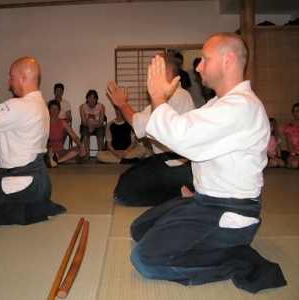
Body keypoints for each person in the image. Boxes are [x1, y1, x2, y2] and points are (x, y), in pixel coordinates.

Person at [129, 33, 286, 293]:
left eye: (205, 58)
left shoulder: (241, 106)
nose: (198, 66)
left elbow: (183, 136)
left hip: (229, 212)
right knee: (139, 228)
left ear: (229, 60)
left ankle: (233, 257)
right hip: (206, 201)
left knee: (145, 259)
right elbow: (182, 134)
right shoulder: (217, 104)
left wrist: (159, 99)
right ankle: (200, 220)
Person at [0, 57, 66, 226]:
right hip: (39, 183)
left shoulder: (21, 106)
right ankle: (38, 203)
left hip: (21, 183)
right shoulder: (38, 105)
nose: (9, 82)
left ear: (23, 77)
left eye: (11, 76)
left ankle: (34, 211)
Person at [106, 54, 195, 206]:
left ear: (165, 71)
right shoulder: (171, 96)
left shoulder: (178, 96)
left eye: (154, 70)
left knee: (123, 194)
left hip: (177, 165)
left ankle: (180, 193)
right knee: (124, 179)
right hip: (165, 160)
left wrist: (122, 103)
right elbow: (142, 122)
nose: (150, 75)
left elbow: (138, 123)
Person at [47, 100, 86, 165]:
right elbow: (42, 142)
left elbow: (74, 136)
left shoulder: (63, 122)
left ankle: (58, 161)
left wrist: (81, 147)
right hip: (49, 152)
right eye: (52, 109)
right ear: (48, 110)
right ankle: (63, 160)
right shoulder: (44, 122)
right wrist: (51, 152)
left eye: (56, 109)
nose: (54, 111)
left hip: (61, 152)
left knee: (77, 149)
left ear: (59, 111)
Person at [79, 89, 106, 158]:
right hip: (86, 125)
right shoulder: (82, 107)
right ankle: (87, 153)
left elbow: (101, 122)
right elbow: (84, 122)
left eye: (94, 98)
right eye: (90, 98)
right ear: (87, 98)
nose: (92, 100)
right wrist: (89, 126)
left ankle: (100, 153)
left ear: (96, 99)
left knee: (101, 131)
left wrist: (94, 126)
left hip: (98, 125)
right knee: (85, 131)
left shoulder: (101, 107)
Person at [284, 102, 299, 169]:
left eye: (298, 111)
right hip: (293, 153)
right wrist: (293, 154)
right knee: (294, 164)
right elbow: (289, 141)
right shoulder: (289, 126)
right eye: (294, 111)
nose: (295, 113)